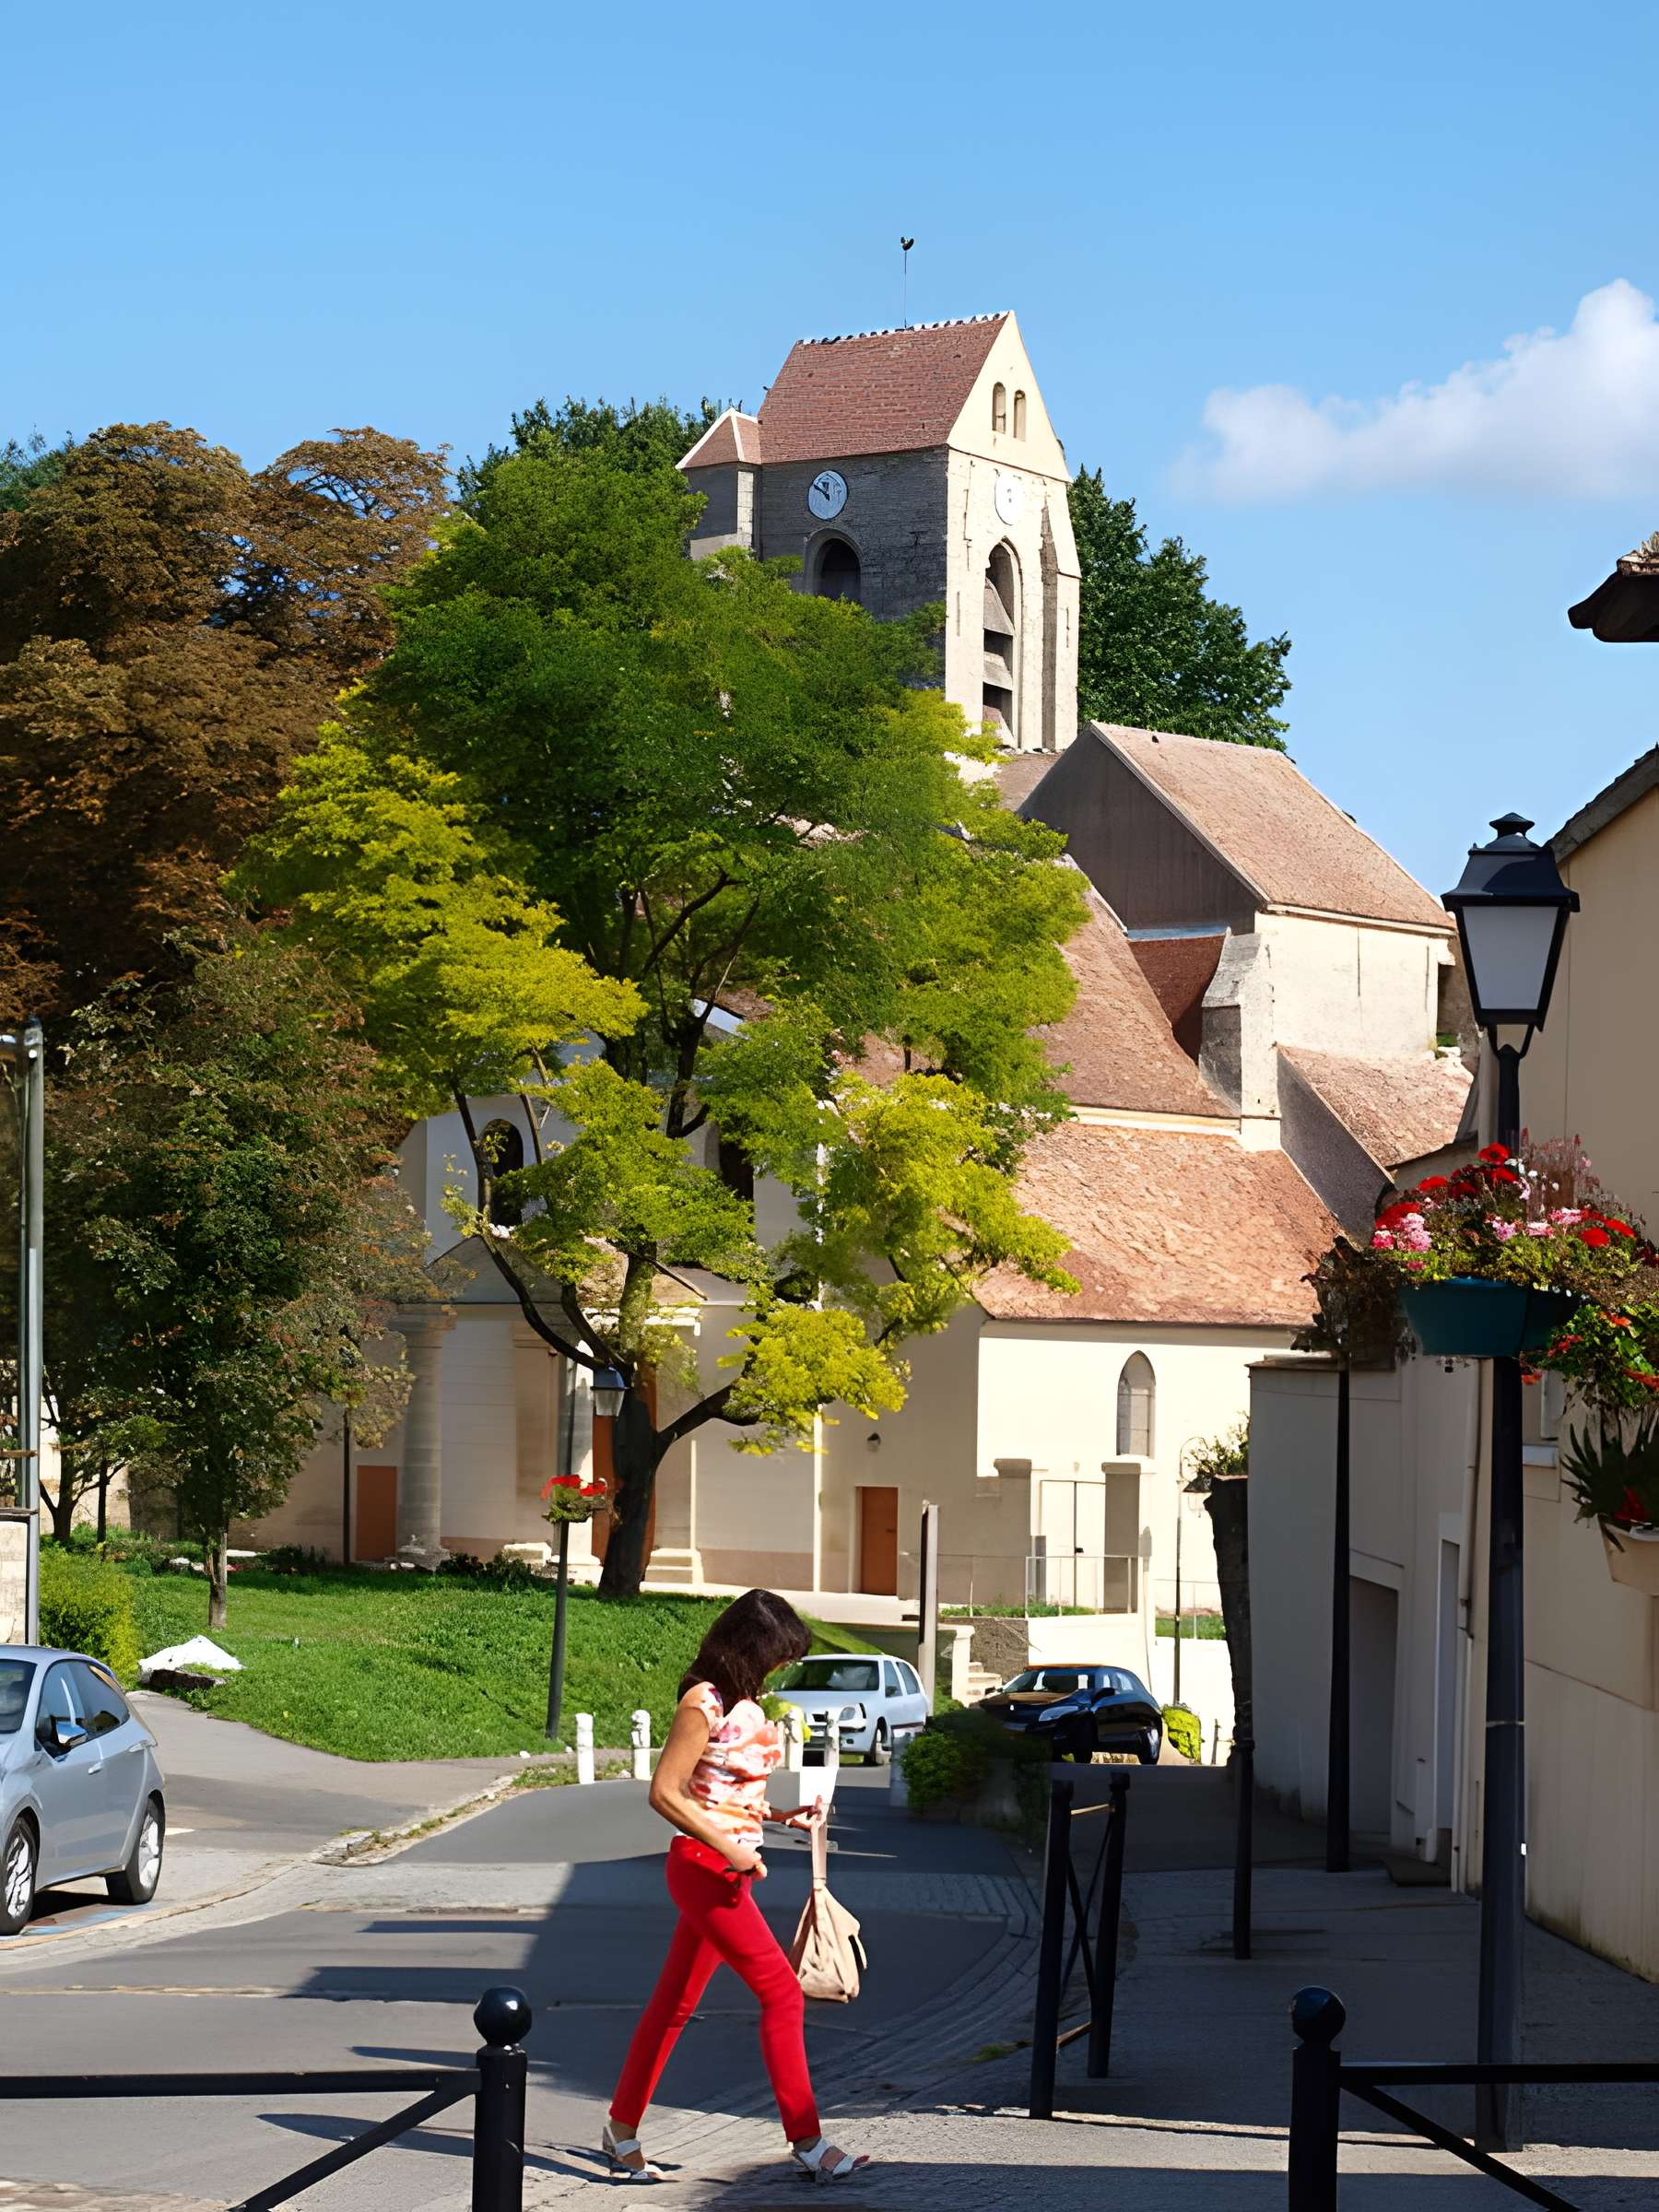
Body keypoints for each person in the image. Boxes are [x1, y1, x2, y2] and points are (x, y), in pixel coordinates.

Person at [603, 1588, 871, 2183]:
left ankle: (620, 2129)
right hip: (704, 1868)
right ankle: (808, 2141)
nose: (783, 1667)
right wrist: (730, 1850)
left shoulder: (743, 1700)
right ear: (749, 1648)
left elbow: (724, 1795)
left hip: (724, 1866)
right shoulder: (703, 1701)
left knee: (673, 2006)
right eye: (778, 1655)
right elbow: (665, 1792)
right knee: (782, 1994)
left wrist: (779, 1819)